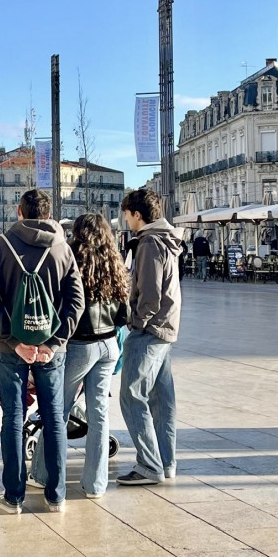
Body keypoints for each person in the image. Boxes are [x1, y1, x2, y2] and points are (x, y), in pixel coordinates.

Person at [0, 189, 84, 514]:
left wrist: (15, 341)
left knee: (13, 417)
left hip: (9, 348)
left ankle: (13, 497)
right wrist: (53, 343)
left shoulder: (0, 245)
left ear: (19, 212)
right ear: (49, 212)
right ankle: (56, 496)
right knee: (54, 418)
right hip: (51, 348)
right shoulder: (62, 248)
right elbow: (76, 302)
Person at [30, 214, 129, 498]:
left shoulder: (71, 258)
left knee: (57, 409)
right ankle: (95, 484)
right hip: (109, 344)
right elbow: (125, 313)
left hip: (78, 344)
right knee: (99, 414)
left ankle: (41, 473)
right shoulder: (114, 261)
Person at [118, 189, 182, 486]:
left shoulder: (149, 243)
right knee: (161, 399)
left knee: (131, 396)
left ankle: (148, 465)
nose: (125, 219)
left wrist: (135, 323)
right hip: (166, 328)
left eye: (127, 214)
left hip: (150, 330)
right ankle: (166, 462)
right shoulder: (168, 240)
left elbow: (150, 294)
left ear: (137, 214)